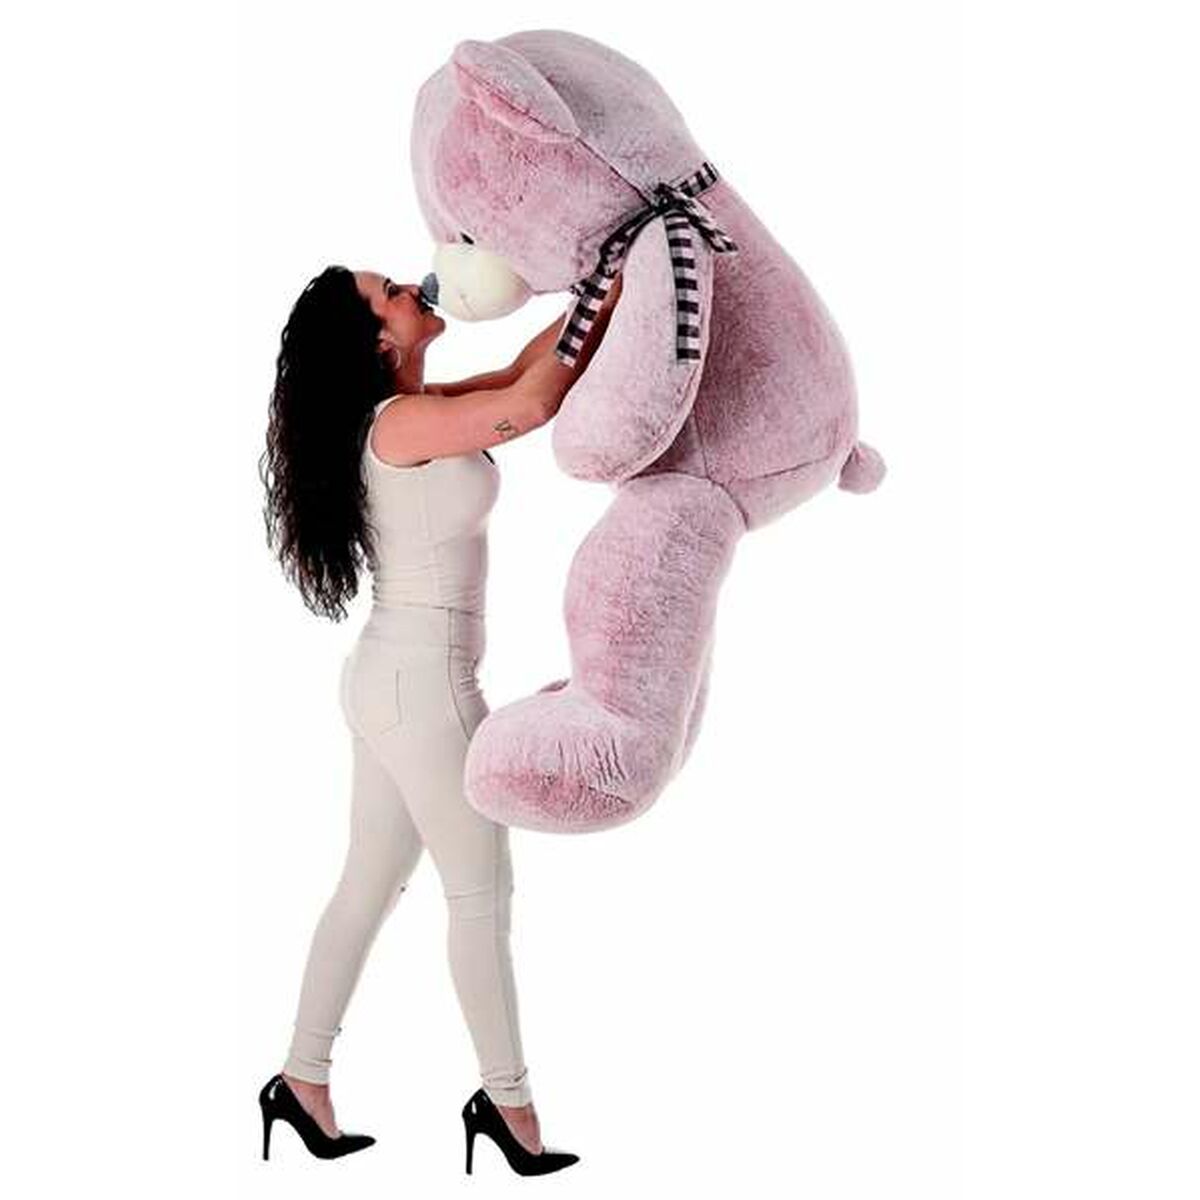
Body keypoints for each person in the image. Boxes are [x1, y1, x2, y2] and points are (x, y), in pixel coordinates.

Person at [255, 263, 620, 1175]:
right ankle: (509, 1105)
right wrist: (610, 295)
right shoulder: (400, 425)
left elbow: (527, 370)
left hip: (394, 681)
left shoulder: (415, 409)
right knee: (479, 894)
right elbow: (534, 404)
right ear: (379, 338)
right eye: (391, 291)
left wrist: (603, 289)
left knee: (367, 888)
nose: (414, 287)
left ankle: (300, 1082)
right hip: (423, 689)